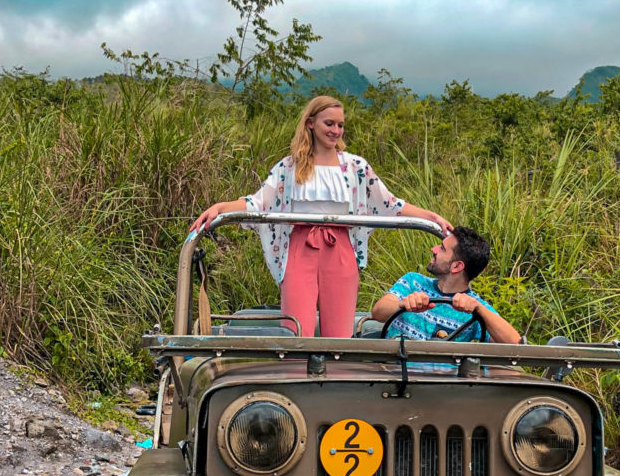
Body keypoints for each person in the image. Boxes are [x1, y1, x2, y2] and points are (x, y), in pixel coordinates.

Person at [190, 95, 452, 337]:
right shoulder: (289, 166)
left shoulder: (355, 166)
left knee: (338, 332)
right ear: (311, 123)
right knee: (296, 327)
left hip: (340, 250)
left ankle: (335, 381)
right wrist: (221, 207)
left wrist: (430, 216)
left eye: (340, 125)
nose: (335, 131)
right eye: (329, 123)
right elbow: (258, 202)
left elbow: (390, 203)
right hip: (299, 248)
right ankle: (294, 378)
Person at [371, 226, 521, 343]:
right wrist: (403, 304)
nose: (433, 249)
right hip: (395, 375)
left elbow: (515, 344)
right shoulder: (412, 281)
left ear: (456, 267)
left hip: (443, 382)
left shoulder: (473, 306)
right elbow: (377, 312)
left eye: (442, 249)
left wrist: (480, 310)